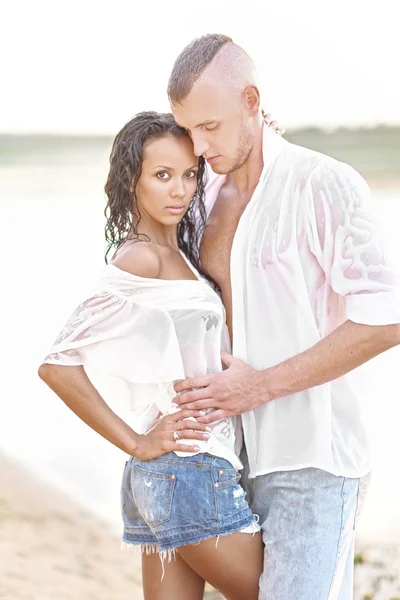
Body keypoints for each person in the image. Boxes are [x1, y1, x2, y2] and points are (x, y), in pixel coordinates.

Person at [168, 34, 400, 599]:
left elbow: (387, 316)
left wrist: (260, 386)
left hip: (313, 462)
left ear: (251, 100)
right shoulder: (201, 196)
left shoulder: (323, 183)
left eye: (211, 127)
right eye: (188, 130)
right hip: (225, 455)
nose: (198, 147)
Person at [38, 111, 264, 600]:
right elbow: (57, 364)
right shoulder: (141, 258)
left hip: (165, 478)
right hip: (189, 470)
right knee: (284, 592)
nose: (179, 190)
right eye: (162, 176)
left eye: (188, 175)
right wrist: (137, 442)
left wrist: (256, 128)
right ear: (131, 181)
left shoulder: (176, 252)